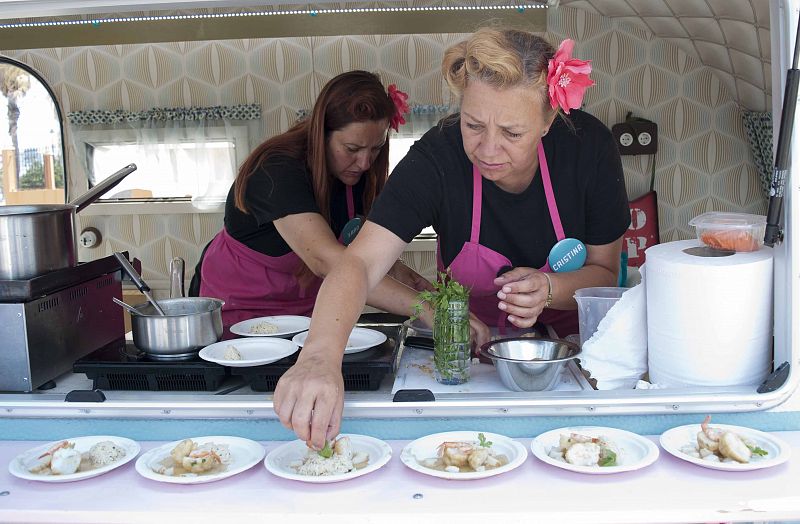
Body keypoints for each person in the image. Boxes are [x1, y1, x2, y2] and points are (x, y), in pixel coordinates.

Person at [273, 28, 631, 449]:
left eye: (512, 133)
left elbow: (606, 273)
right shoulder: (437, 156)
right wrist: (318, 357)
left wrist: (551, 288)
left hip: (569, 362)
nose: (489, 149)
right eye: (473, 125)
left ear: (549, 120)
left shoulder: (588, 150)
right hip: (466, 360)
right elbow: (359, 262)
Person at [195, 70, 431, 328]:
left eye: (375, 149)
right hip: (240, 312)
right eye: (352, 149)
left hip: (303, 316)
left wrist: (412, 281)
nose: (364, 163)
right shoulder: (276, 171)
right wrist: (424, 308)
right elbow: (326, 261)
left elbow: (362, 252)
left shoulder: (355, 175)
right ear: (322, 134)